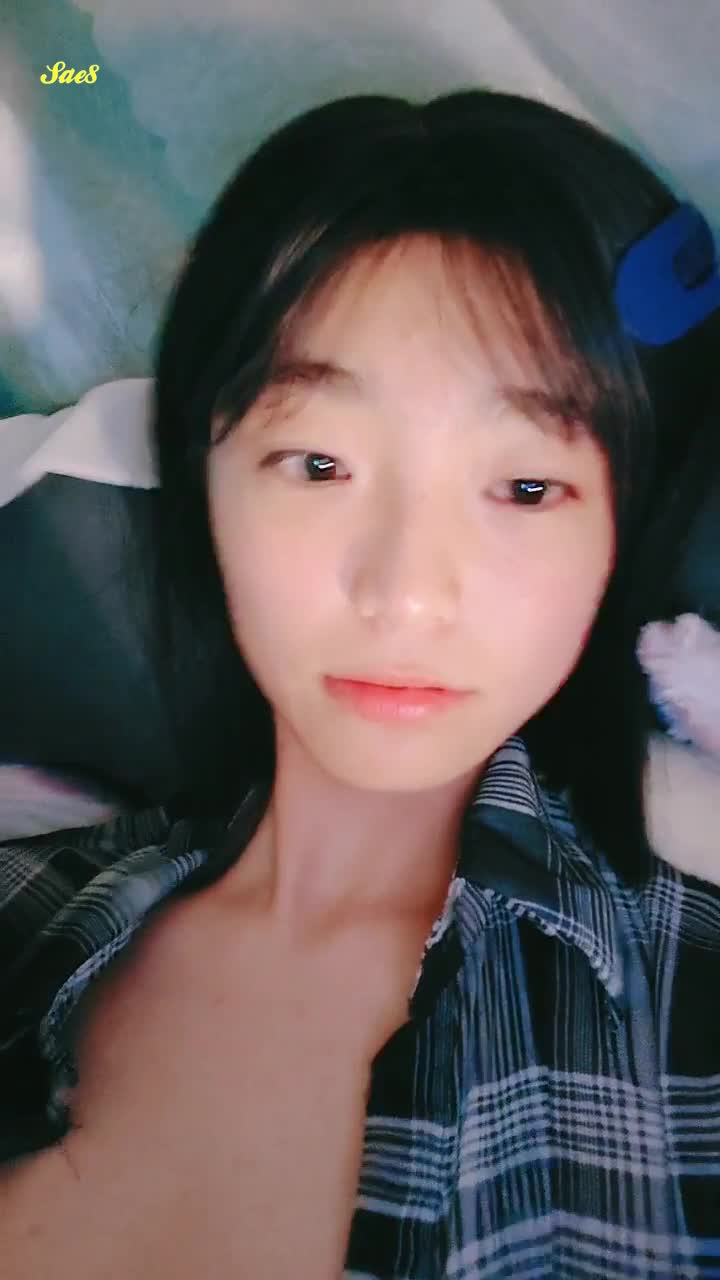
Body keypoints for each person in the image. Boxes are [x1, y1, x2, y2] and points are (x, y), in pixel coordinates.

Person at [1, 88, 719, 1279]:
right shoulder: (24, 906)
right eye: (318, 462)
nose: (405, 593)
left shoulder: (692, 1017)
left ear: (621, 535)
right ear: (207, 476)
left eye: (525, 487)